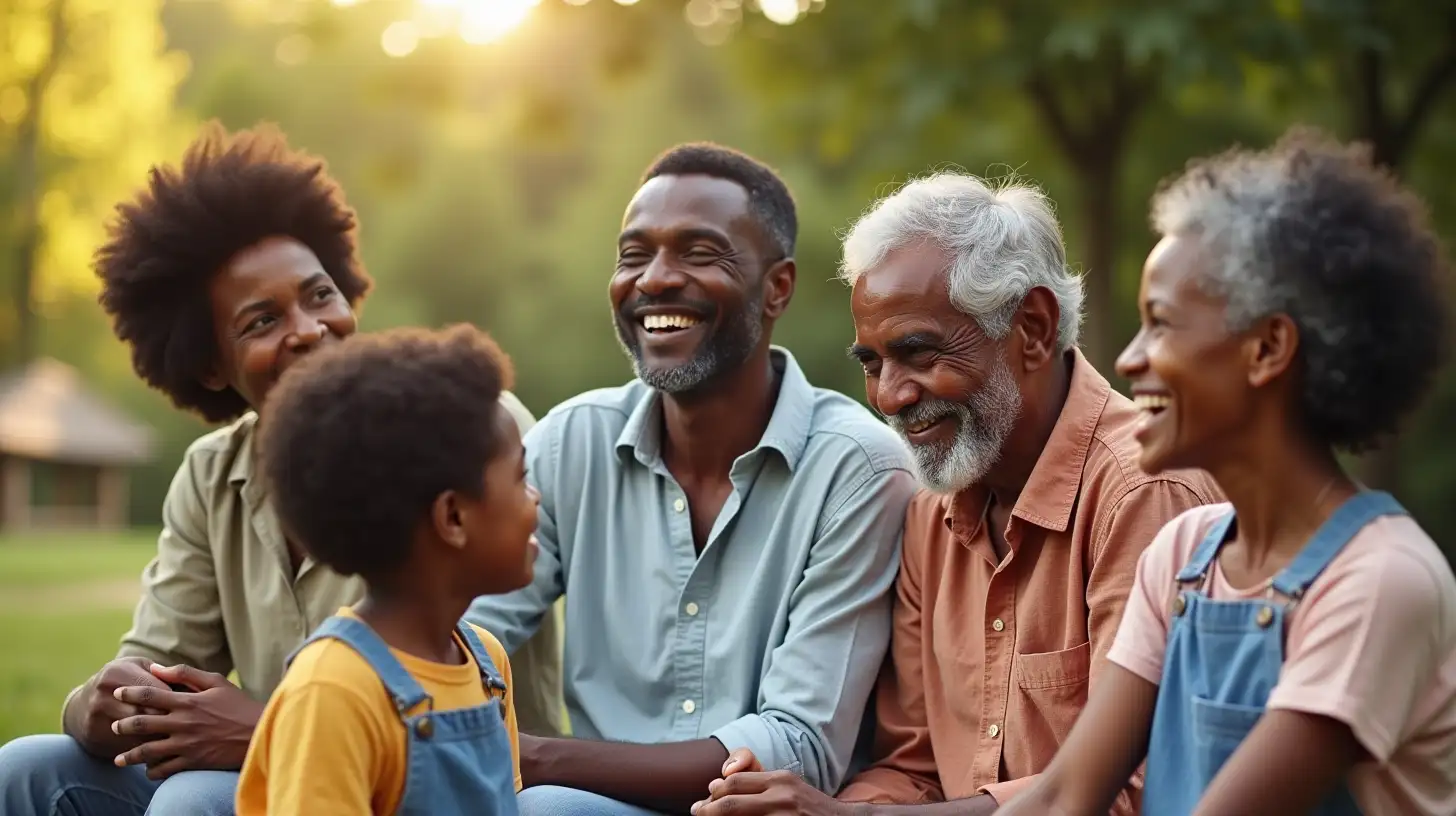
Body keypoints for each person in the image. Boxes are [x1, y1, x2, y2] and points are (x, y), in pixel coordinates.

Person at [0, 121, 561, 816]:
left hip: (439, 775)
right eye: (261, 321)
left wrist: (260, 724)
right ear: (210, 365)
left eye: (319, 294)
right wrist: (98, 701)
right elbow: (157, 666)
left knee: (193, 800)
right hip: (291, 773)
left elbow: (443, 684)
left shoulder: (466, 423)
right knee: (28, 770)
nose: (306, 327)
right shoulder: (212, 475)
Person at [694, 172, 1223, 816]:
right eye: (872, 363)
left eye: (918, 353)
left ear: (1032, 327)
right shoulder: (929, 511)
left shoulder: (1142, 493)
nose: (891, 395)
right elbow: (911, 765)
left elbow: (1135, 790)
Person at [996, 130, 1456, 815]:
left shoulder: (1380, 581)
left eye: (1161, 323)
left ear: (1267, 347)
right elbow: (1064, 796)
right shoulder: (1184, 556)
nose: (1128, 359)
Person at [466, 142, 917, 815]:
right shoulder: (571, 443)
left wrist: (533, 759)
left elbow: (800, 744)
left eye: (699, 253)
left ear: (778, 288)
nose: (654, 279)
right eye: (633, 255)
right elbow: (458, 632)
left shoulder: (858, 468)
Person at [235, 325, 534, 815]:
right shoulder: (331, 689)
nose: (536, 502)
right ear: (453, 517)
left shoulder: (487, 665)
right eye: (522, 479)